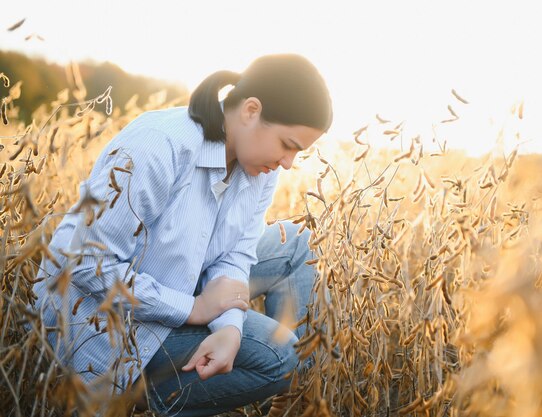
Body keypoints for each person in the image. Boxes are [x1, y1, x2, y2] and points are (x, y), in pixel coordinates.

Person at [32, 53, 333, 416]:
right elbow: (84, 263)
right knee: (282, 357)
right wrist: (195, 308)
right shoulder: (159, 146)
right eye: (288, 145)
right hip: (103, 319)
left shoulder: (261, 169)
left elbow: (236, 254)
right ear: (251, 110)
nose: (288, 163)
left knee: (297, 239)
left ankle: (287, 402)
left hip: (178, 281)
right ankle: (151, 394)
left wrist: (230, 329)